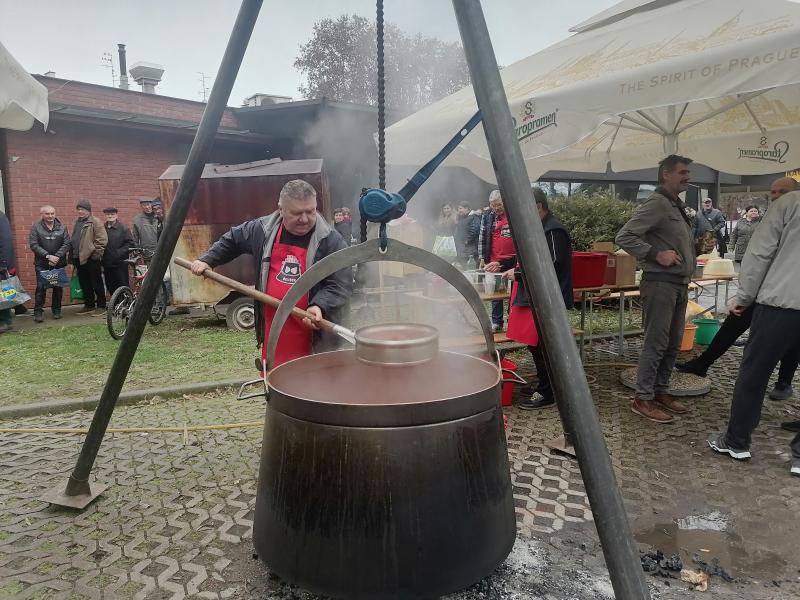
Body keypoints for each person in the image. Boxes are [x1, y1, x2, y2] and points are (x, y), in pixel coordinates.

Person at [190, 180, 351, 368]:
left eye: (311, 211)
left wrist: (320, 305)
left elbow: (341, 282)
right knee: (277, 377)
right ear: (281, 210)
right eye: (297, 213)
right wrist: (208, 259)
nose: (305, 219)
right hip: (273, 325)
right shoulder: (262, 230)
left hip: (313, 330)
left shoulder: (330, 240)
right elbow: (232, 240)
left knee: (313, 382)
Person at [677, 176, 798, 401]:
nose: (776, 197)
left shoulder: (792, 218)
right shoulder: (771, 217)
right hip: (760, 289)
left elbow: (763, 256)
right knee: (733, 324)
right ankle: (703, 363)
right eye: (773, 193)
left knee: (790, 338)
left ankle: (784, 381)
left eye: (782, 192)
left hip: (782, 294)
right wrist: (745, 294)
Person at [706, 189, 800, 477]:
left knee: (755, 372)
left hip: (782, 303)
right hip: (784, 300)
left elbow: (760, 252)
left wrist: (744, 297)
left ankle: (736, 440)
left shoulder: (790, 203)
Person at [616, 155, 695, 423]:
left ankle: (660, 391)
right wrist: (655, 254)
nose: (687, 176)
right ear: (665, 175)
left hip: (678, 284)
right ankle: (642, 398)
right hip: (660, 283)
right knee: (656, 343)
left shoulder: (675, 205)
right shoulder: (658, 203)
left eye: (688, 172)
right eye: (682, 172)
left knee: (673, 344)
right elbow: (624, 236)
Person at [505, 188, 573, 410]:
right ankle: (545, 384)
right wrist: (505, 265)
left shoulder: (553, 231)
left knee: (545, 348)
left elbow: (552, 265)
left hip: (549, 301)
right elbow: (525, 258)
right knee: (536, 346)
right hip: (535, 298)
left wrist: (517, 274)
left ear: (538, 207)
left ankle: (548, 392)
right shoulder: (537, 229)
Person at [480, 190, 517, 332]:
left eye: (499, 204)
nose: (497, 208)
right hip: (495, 260)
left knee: (514, 291)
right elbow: (482, 237)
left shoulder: (514, 213)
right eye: (493, 205)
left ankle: (513, 320)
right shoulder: (488, 216)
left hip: (513, 261)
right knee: (496, 292)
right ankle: (497, 322)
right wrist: (482, 257)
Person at [28, 205, 71, 322]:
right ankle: (38, 313)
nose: (50, 216)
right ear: (42, 215)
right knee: (41, 288)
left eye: (52, 213)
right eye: (47, 214)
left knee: (57, 288)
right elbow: (33, 244)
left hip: (58, 263)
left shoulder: (62, 227)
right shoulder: (36, 228)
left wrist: (57, 256)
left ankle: (56, 311)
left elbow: (67, 243)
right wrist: (48, 256)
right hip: (42, 263)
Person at [70, 200, 108, 315]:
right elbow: (74, 239)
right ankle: (89, 305)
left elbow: (102, 239)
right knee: (84, 282)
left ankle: (101, 306)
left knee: (96, 282)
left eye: (83, 209)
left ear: (89, 211)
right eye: (79, 209)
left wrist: (95, 254)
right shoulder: (77, 222)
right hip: (79, 258)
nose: (81, 211)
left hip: (92, 257)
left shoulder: (95, 222)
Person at [101, 207, 133, 296]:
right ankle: (115, 306)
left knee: (122, 284)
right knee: (110, 285)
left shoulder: (123, 228)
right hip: (107, 262)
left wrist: (118, 253)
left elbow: (130, 244)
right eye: (108, 214)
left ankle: (126, 304)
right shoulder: (102, 228)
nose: (110, 216)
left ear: (116, 215)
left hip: (120, 263)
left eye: (112, 214)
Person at [0, 210, 16, 333]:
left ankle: (5, 321)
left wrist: (3, 263)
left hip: (1, 264)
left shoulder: (0, 216)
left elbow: (5, 240)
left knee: (3, 292)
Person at [454, 201, 480, 268]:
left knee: (471, 268)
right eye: (458, 209)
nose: (459, 211)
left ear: (467, 208)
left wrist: (467, 241)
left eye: (460, 208)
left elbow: (475, 230)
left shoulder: (473, 217)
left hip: (471, 250)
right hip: (463, 250)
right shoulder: (462, 218)